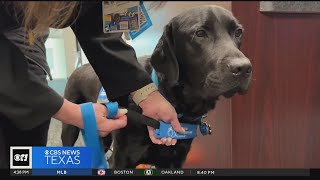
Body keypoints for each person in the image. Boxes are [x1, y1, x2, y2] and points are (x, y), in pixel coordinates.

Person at [0, 1, 184, 169]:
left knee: (24, 155)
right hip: (11, 31)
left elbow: (100, 25)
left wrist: (146, 94)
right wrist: (71, 112)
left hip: (28, 28)